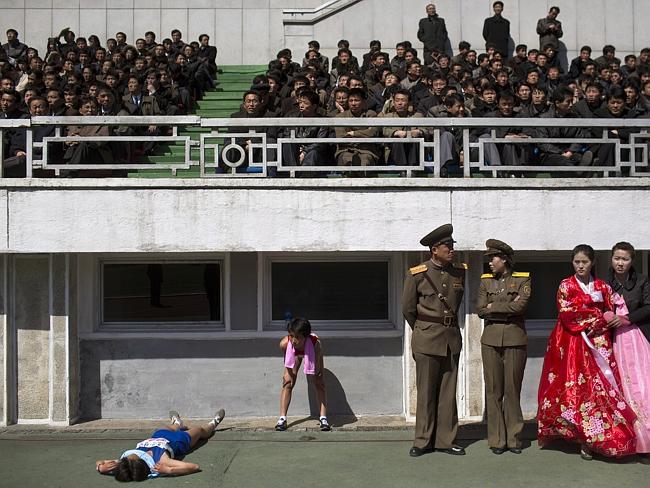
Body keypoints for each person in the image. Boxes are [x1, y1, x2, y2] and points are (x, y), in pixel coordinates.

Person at [537, 244, 636, 460]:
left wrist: (601, 320)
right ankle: (583, 439)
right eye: (577, 262)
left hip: (600, 344)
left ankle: (602, 438)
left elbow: (610, 311)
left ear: (592, 263)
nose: (580, 266)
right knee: (578, 390)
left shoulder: (603, 287)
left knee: (602, 389)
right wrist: (594, 317)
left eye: (585, 262)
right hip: (574, 344)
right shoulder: (565, 285)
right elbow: (567, 312)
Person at [402, 224, 467, 457]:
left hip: (451, 338)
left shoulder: (459, 271)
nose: (452, 250)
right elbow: (408, 309)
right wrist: (425, 328)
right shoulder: (417, 274)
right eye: (447, 246)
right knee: (426, 393)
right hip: (427, 339)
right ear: (434, 249)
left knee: (448, 393)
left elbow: (456, 304)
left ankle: (445, 440)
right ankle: (422, 441)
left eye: (452, 246)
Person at [477, 239, 530, 455]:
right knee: (494, 390)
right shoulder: (485, 282)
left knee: (512, 390)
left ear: (505, 259)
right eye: (489, 258)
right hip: (490, 340)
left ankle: (514, 439)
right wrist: (500, 308)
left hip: (514, 339)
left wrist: (493, 307)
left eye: (493, 258)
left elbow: (520, 306)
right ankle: (497, 440)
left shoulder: (522, 280)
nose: (490, 262)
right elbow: (480, 309)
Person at [606, 241, 650, 464]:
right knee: (619, 388)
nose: (620, 263)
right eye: (617, 258)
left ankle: (645, 445)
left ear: (632, 261)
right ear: (611, 260)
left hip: (638, 340)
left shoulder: (642, 281)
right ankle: (625, 443)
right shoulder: (605, 284)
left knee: (642, 389)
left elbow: (649, 307)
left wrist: (626, 318)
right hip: (614, 343)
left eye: (625, 259)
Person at [95, 409, 226, 481]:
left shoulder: (126, 463)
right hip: (179, 441)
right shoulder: (160, 462)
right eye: (129, 459)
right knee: (199, 431)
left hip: (157, 436)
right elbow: (194, 466)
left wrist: (101, 467)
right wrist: (168, 470)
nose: (123, 459)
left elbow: (101, 463)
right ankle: (213, 424)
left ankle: (177, 423)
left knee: (170, 427)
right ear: (139, 462)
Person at [276, 317, 330, 432]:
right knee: (288, 383)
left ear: (305, 336)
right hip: (294, 354)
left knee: (319, 383)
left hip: (311, 353)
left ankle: (323, 418)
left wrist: (319, 372)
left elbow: (319, 359)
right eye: (292, 336)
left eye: (298, 337)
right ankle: (282, 418)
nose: (294, 340)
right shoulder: (285, 344)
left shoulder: (316, 344)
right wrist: (288, 374)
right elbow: (288, 361)